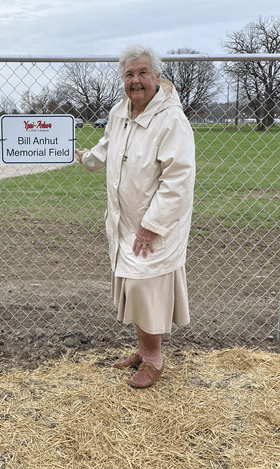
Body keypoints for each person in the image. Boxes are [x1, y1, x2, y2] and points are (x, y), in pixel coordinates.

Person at [75, 44, 196, 389]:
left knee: (146, 287)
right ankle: (144, 351)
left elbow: (179, 179)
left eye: (143, 73)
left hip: (155, 225)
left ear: (157, 77)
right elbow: (108, 145)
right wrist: (88, 160)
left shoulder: (171, 120)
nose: (136, 80)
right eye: (129, 74)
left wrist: (151, 225)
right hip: (125, 221)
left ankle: (155, 359)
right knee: (132, 285)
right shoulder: (120, 112)